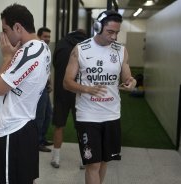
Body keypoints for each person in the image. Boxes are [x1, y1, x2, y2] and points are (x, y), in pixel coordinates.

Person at [63, 10, 136, 184]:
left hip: (112, 114)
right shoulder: (80, 50)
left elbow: (128, 77)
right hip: (88, 115)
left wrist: (130, 82)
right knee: (93, 163)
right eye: (110, 32)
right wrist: (87, 89)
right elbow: (66, 82)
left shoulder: (121, 51)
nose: (114, 37)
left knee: (104, 161)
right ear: (97, 27)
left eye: (117, 33)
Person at [0, 4, 51, 184]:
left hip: (13, 129)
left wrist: (7, 58)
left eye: (5, 30)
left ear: (18, 27)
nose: (4, 36)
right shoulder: (39, 48)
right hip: (20, 126)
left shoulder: (30, 52)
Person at [50, 30, 88, 168]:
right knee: (82, 127)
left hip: (62, 90)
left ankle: (56, 158)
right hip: (80, 91)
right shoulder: (86, 46)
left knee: (59, 125)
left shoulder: (61, 44)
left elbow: (54, 63)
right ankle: (84, 159)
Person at [35, 27, 53, 152]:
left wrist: (50, 83)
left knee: (48, 114)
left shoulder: (46, 49)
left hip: (45, 86)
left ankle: (42, 138)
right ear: (38, 36)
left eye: (48, 37)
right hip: (38, 89)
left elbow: (47, 69)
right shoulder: (36, 49)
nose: (47, 39)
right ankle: (36, 142)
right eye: (45, 36)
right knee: (40, 116)